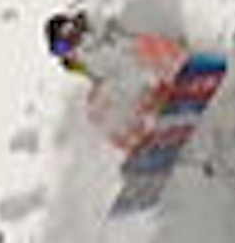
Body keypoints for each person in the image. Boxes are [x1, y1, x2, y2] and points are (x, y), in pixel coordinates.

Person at [44, 10, 191, 151]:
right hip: (131, 86)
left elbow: (119, 26)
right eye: (60, 49)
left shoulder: (95, 29)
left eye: (66, 37)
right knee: (96, 108)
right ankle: (138, 140)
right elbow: (104, 79)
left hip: (142, 60)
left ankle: (180, 70)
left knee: (145, 47)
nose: (68, 48)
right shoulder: (77, 61)